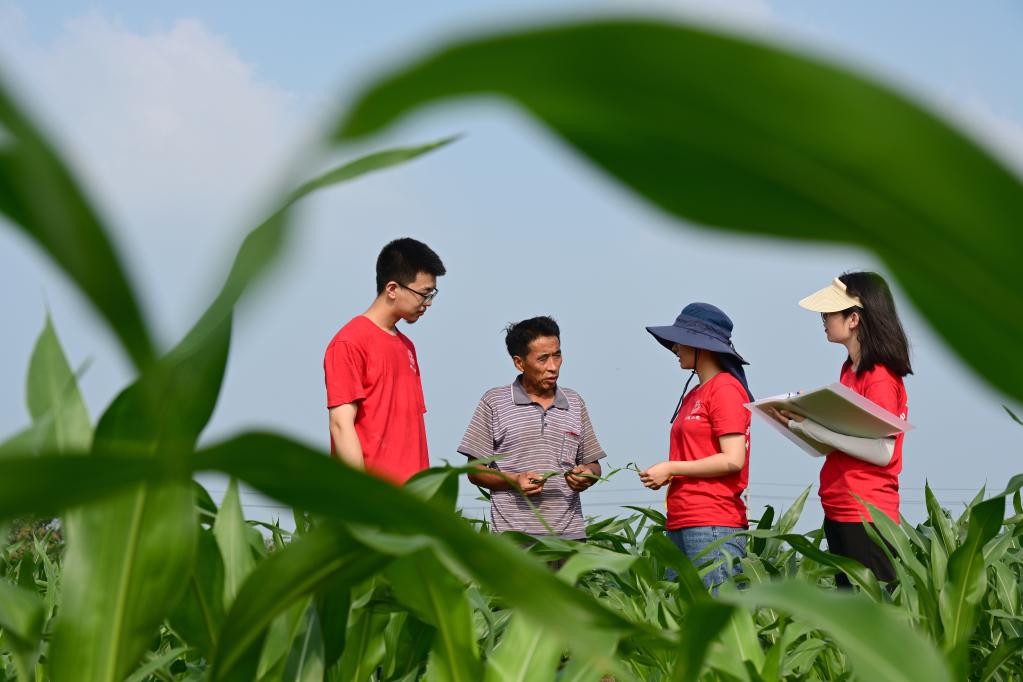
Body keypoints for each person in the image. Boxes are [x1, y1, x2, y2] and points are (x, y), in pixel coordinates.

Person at [767, 273, 910, 587]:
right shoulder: (850, 370)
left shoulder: (880, 377)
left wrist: (816, 428)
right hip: (841, 508)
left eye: (829, 312)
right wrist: (796, 424)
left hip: (867, 514)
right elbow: (844, 442)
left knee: (874, 613)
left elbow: (883, 452)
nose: (824, 319)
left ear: (854, 318)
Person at [457, 316, 606, 543]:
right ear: (519, 362)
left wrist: (588, 475)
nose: (553, 366)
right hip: (515, 541)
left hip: (570, 540)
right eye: (543, 359)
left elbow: (594, 465)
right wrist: (514, 480)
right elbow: (474, 471)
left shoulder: (574, 402)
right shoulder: (494, 402)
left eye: (557, 355)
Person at [639, 303, 753, 589]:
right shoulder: (696, 393)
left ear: (701, 345)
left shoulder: (725, 388)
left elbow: (733, 458)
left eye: (680, 340)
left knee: (715, 622)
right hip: (683, 519)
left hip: (712, 523)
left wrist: (671, 468)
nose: (675, 347)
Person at [323, 237, 446, 484]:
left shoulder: (407, 347)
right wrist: (365, 494)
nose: (428, 303)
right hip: (375, 501)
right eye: (423, 294)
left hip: (412, 499)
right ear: (392, 289)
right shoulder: (349, 343)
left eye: (432, 293)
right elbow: (340, 425)